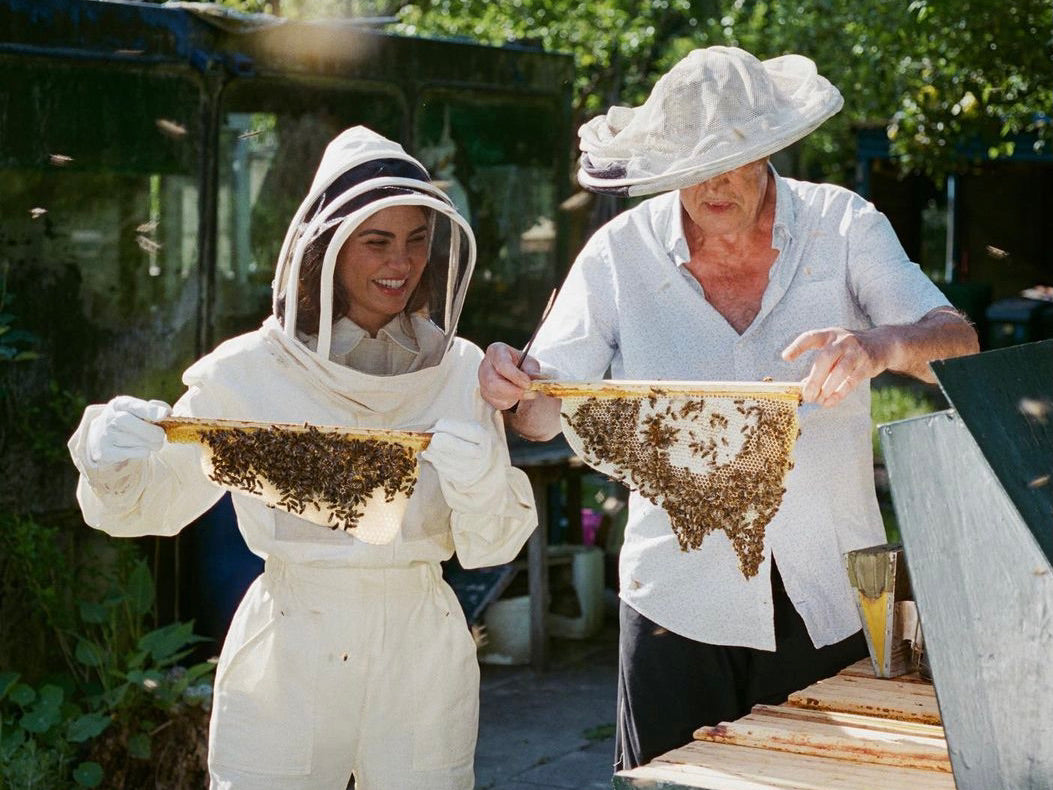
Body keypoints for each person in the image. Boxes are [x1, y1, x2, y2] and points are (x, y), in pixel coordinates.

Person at [478, 46, 979, 772]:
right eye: (689, 161)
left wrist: (877, 345)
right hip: (675, 602)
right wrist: (510, 386)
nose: (712, 181)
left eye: (734, 156)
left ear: (771, 147)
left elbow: (956, 345)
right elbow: (544, 414)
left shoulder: (842, 225)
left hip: (828, 591)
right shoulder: (617, 252)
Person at [69, 126, 538, 790]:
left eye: (415, 239)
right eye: (376, 240)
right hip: (291, 639)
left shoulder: (462, 371)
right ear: (328, 248)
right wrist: (109, 456)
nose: (399, 262)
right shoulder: (247, 372)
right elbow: (146, 509)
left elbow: (493, 546)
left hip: (420, 640)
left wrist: (483, 480)